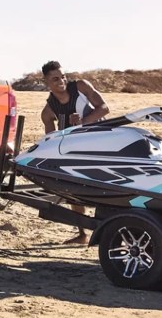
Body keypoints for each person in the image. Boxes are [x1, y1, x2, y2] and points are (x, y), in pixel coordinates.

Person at [39, 60, 110, 244]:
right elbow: (52, 139)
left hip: (103, 141)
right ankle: (82, 234)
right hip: (79, 149)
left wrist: (83, 122)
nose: (61, 81)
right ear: (47, 82)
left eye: (62, 76)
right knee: (73, 189)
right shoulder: (49, 111)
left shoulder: (80, 87)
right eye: (55, 79)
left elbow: (104, 108)